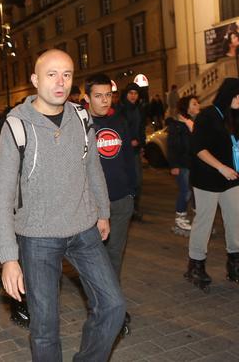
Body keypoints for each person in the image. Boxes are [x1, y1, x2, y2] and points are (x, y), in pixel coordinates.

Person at [0, 49, 125, 361]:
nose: (60, 82)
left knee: (114, 305)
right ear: (36, 80)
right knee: (45, 328)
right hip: (38, 238)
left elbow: (92, 167)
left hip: (83, 230)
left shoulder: (81, 117)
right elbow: (1, 197)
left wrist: (102, 211)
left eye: (66, 74)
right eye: (52, 74)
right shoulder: (16, 126)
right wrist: (9, 257)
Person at [186, 78, 239, 292]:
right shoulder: (207, 116)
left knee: (235, 219)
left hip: (232, 176)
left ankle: (236, 263)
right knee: (205, 221)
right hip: (208, 176)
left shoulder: (235, 115)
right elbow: (198, 148)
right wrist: (221, 167)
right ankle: (196, 265)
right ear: (228, 94)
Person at [85, 73, 136, 334]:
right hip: (93, 207)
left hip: (121, 200)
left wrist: (132, 192)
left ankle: (112, 309)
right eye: (98, 96)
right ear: (87, 98)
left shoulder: (119, 121)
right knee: (95, 260)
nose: (104, 101)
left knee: (115, 256)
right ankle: (101, 308)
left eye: (108, 95)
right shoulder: (81, 125)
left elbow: (128, 157)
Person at [168, 95, 201, 236]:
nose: (198, 105)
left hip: (194, 163)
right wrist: (174, 165)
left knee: (195, 191)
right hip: (182, 164)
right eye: (194, 104)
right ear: (186, 108)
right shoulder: (177, 125)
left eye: (197, 103)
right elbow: (173, 147)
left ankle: (198, 216)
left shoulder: (194, 123)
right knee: (185, 191)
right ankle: (180, 218)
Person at [117, 82, 146, 220]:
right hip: (123, 150)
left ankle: (135, 206)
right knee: (127, 178)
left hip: (135, 150)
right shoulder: (120, 109)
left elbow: (141, 128)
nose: (133, 96)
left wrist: (141, 144)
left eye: (136, 93)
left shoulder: (139, 109)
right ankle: (129, 207)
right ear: (126, 94)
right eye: (131, 93)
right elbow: (118, 130)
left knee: (138, 179)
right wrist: (128, 141)